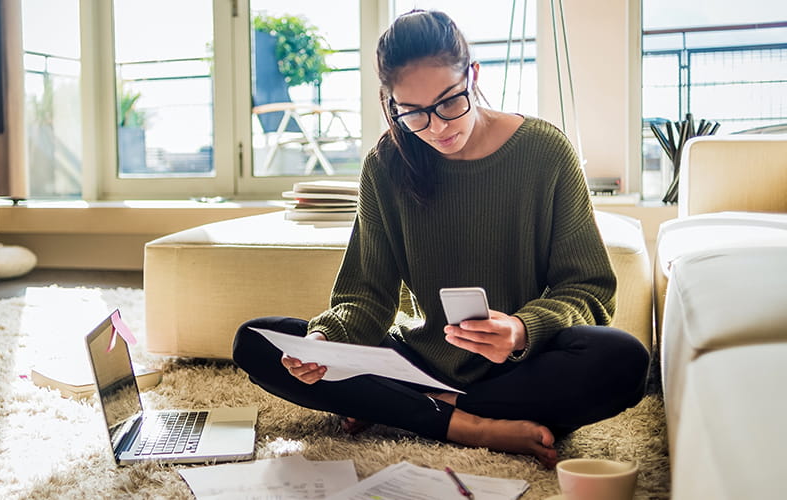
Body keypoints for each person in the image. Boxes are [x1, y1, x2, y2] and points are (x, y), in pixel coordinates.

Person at [232, 9, 649, 468]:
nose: (438, 127)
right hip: (416, 360)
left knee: (622, 360)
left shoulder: (546, 152)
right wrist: (327, 338)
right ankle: (468, 425)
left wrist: (521, 330)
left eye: (450, 102)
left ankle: (407, 409)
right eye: (412, 113)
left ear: (472, 75)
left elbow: (588, 288)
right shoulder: (386, 166)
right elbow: (366, 296)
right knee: (257, 340)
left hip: (515, 369)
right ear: (391, 103)